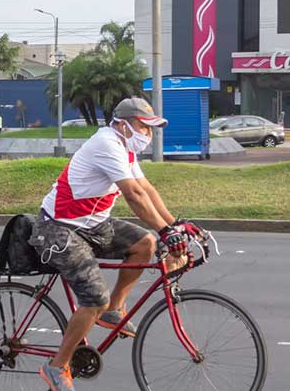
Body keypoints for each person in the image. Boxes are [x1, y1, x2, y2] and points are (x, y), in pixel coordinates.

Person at [31, 97, 202, 391]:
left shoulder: (125, 149)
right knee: (93, 299)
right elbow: (134, 195)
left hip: (93, 224)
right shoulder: (107, 144)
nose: (148, 135)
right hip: (58, 229)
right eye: (143, 127)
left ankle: (114, 309)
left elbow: (146, 189)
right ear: (123, 125)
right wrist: (166, 231)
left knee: (145, 244)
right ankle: (57, 366)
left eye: (151, 130)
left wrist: (173, 226)